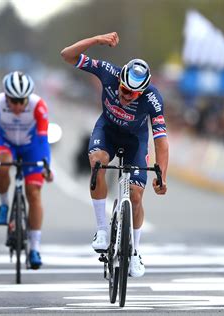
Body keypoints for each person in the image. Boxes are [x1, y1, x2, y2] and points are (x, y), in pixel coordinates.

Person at [60, 32, 168, 277]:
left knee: (137, 197)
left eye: (131, 93)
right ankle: (101, 228)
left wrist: (162, 175)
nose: (124, 94)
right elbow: (67, 55)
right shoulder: (109, 71)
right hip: (107, 130)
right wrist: (97, 40)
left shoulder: (153, 99)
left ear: (141, 92)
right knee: (97, 163)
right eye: (122, 88)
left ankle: (135, 252)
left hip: (135, 141)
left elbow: (161, 140)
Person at [0, 71, 53, 270]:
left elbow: (42, 140)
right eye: (12, 101)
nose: (16, 106)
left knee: (34, 193)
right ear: (6, 96)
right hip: (6, 144)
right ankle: (5, 204)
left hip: (31, 147)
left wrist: (46, 166)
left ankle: (34, 248)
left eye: (21, 101)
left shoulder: (38, 106)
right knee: (2, 163)